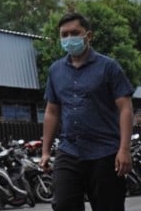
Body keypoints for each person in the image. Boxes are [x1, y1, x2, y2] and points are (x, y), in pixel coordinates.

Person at [40, 12, 134, 211]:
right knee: (63, 205)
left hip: (105, 152)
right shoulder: (55, 70)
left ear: (88, 35)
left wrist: (124, 149)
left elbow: (125, 108)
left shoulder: (109, 67)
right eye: (64, 35)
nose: (69, 38)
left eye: (75, 33)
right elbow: (52, 111)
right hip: (69, 151)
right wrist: (46, 151)